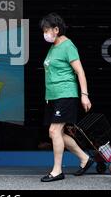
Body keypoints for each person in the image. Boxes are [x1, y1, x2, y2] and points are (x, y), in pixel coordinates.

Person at [40, 13, 93, 182]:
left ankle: (57, 171)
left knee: (54, 130)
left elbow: (80, 71)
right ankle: (85, 159)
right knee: (57, 133)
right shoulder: (54, 46)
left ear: (56, 29)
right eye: (44, 30)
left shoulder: (67, 45)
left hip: (66, 94)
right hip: (53, 96)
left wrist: (84, 95)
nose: (45, 33)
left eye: (47, 30)